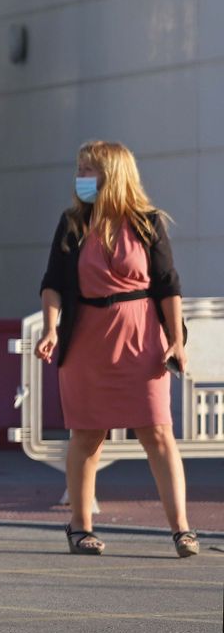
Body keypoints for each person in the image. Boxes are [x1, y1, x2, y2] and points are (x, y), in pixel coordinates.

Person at [35, 141, 198, 558]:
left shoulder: (147, 223)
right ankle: (81, 527)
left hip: (142, 338)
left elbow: (167, 285)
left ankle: (182, 530)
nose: (81, 178)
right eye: (80, 169)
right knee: (88, 435)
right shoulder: (73, 223)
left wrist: (176, 340)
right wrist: (51, 329)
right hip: (87, 339)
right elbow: (53, 281)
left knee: (158, 431)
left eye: (89, 169)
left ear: (113, 174)